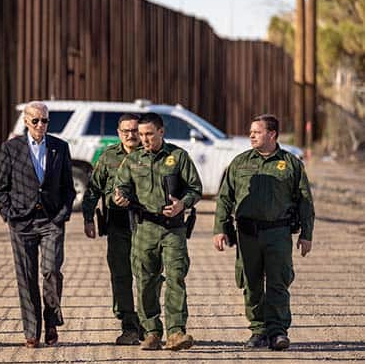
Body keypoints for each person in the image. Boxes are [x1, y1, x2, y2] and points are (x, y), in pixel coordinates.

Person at [212, 114, 315, 351]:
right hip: (247, 234)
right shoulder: (239, 163)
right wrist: (220, 229)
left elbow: (305, 202)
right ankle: (258, 331)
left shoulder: (291, 164)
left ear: (272, 134)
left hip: (278, 233)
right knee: (251, 283)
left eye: (256, 132)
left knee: (278, 283)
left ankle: (278, 332)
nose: (251, 135)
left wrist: (306, 234)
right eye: (251, 132)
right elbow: (224, 198)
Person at [113, 112, 202, 351]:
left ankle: (176, 332)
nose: (144, 139)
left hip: (173, 229)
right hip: (144, 229)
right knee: (145, 281)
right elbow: (121, 186)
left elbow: (195, 188)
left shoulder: (178, 157)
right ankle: (151, 331)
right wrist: (120, 197)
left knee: (175, 277)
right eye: (141, 135)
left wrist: (182, 204)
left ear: (161, 132)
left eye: (149, 134)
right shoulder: (133, 160)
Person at [0, 101, 76, 348]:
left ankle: (51, 321)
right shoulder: (11, 148)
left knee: (51, 271)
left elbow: (68, 188)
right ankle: (32, 330)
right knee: (27, 277)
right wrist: (8, 214)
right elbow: (1, 186)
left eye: (45, 121)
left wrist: (62, 214)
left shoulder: (59, 148)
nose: (41, 125)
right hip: (21, 221)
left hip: (51, 220)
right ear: (26, 122)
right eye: (36, 121)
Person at [81, 113, 143, 345]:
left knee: (148, 277)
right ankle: (129, 326)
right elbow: (93, 189)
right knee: (121, 276)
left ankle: (149, 326)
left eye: (135, 130)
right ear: (118, 133)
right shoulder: (108, 157)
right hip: (117, 225)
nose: (130, 135)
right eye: (125, 131)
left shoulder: (150, 155)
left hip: (146, 225)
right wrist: (88, 218)